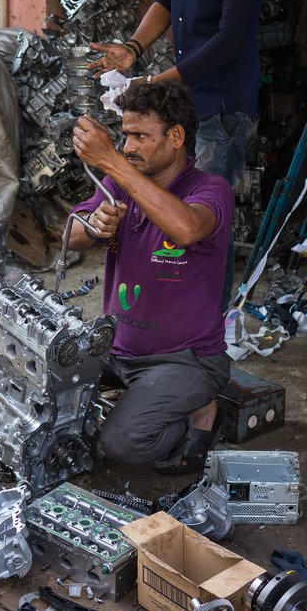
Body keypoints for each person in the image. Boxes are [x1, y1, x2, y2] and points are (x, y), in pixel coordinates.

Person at [88, 0, 268, 307]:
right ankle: (171, 313)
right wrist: (132, 50)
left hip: (223, 104)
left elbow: (230, 40)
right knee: (167, 207)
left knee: (204, 221)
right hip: (186, 99)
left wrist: (160, 82)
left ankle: (208, 332)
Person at [67, 82, 234, 474]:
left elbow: (186, 229)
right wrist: (94, 226)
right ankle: (150, 400)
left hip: (185, 360)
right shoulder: (119, 183)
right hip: (118, 348)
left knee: (121, 443)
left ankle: (199, 418)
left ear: (176, 137)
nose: (128, 148)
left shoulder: (211, 189)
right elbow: (68, 236)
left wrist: (110, 161)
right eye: (125, 136)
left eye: (140, 136)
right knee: (45, 378)